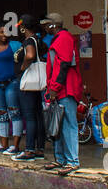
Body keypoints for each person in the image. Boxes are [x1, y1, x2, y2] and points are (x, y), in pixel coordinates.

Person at [43, 12, 84, 174]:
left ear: (54, 25)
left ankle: (72, 160)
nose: (45, 27)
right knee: (57, 125)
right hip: (58, 89)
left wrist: (55, 87)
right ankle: (60, 159)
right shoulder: (59, 38)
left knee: (68, 124)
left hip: (65, 89)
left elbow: (64, 64)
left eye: (47, 24)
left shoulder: (64, 38)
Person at [0, 23, 24, 156]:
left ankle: (15, 145)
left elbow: (23, 60)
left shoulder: (16, 45)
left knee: (14, 112)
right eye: (1, 32)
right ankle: (3, 144)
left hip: (12, 83)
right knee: (1, 114)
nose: (4, 35)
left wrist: (19, 77)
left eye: (6, 32)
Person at [14, 15, 46, 162]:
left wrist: (22, 68)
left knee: (30, 115)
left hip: (28, 82)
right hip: (37, 83)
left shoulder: (29, 40)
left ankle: (29, 150)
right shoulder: (39, 40)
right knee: (38, 115)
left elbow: (30, 55)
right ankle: (40, 148)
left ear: (23, 27)